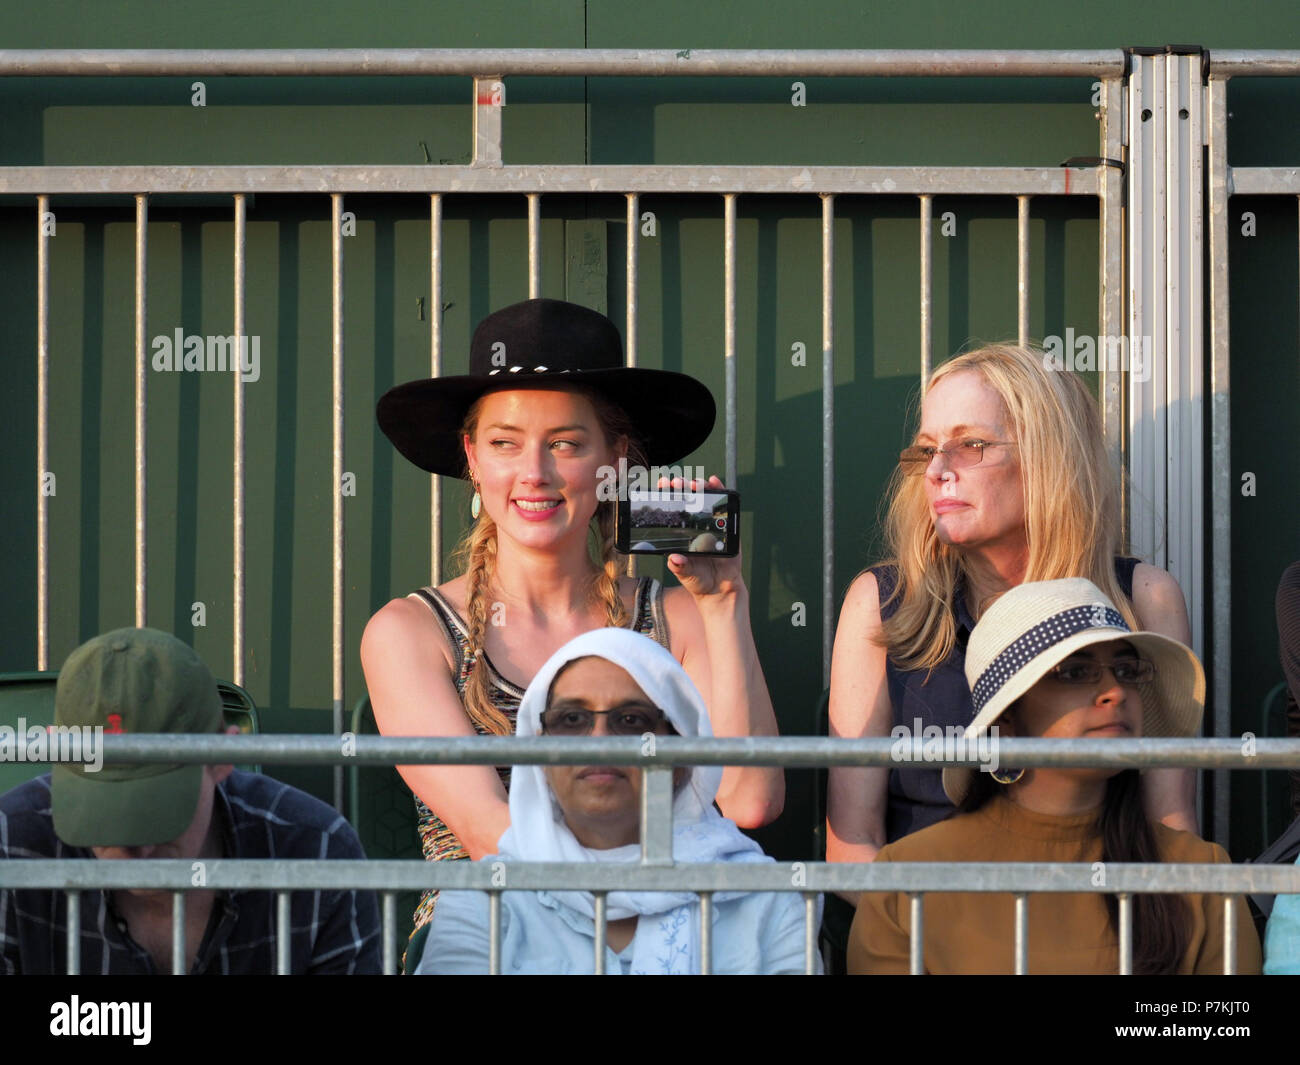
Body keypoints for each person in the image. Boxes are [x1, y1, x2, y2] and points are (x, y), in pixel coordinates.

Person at [362, 298, 782, 931]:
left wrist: (724, 606)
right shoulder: (410, 632)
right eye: (505, 444)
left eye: (566, 444)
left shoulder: (676, 618)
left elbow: (748, 801)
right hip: (491, 934)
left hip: (662, 932)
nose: (534, 474)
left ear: (614, 461)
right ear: (472, 459)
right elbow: (488, 833)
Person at [828, 344, 1197, 875]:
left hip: (1095, 927)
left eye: (970, 444)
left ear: (1050, 457)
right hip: (927, 931)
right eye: (927, 450)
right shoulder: (882, 602)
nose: (936, 471)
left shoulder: (1144, 600)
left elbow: (1170, 826)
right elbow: (852, 845)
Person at [847, 579, 1260, 975]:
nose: (1114, 691)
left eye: (1127, 670)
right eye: (1075, 672)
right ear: (1006, 716)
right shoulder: (905, 878)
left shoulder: (1201, 873)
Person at [416, 627, 818, 975]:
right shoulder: (482, 900)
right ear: (539, 753)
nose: (600, 742)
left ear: (682, 755)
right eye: (572, 720)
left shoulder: (766, 902)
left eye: (631, 721)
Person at [0, 628, 381, 975]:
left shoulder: (317, 852)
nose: (138, 846)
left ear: (222, 757)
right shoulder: (11, 847)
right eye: (106, 814)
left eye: (158, 812)